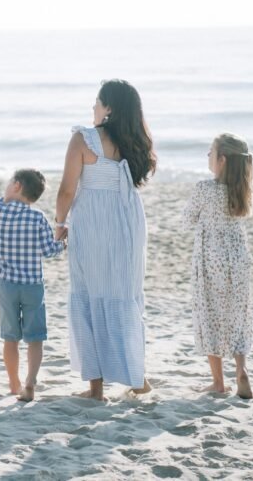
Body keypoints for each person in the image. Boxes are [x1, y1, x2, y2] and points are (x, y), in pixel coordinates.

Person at [54, 79, 156, 400]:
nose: (92, 108)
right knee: (123, 296)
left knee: (88, 294)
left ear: (108, 108)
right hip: (127, 222)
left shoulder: (84, 138)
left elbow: (67, 188)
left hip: (94, 222)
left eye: (97, 102)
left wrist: (59, 222)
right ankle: (137, 378)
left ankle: (96, 388)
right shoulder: (136, 141)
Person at [0, 169, 65, 402]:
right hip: (32, 285)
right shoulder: (37, 217)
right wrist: (62, 241)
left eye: (9, 183)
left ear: (16, 186)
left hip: (6, 285)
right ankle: (30, 383)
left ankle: (13, 382)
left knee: (11, 337)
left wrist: (4, 198)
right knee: (35, 337)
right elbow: (49, 251)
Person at [183, 132, 253, 399]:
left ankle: (218, 382)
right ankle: (241, 369)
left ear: (222, 160)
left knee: (210, 315)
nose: (208, 157)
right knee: (238, 315)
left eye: (211, 153)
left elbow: (188, 218)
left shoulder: (205, 189)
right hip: (238, 259)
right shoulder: (244, 190)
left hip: (210, 258)